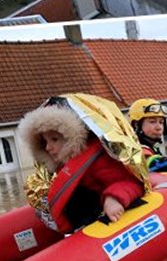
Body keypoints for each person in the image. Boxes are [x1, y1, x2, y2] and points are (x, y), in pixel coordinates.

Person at [19, 97, 146, 233]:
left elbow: (131, 182)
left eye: (54, 139)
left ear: (71, 137)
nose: (48, 147)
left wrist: (114, 198)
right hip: (83, 229)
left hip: (106, 223)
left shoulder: (97, 162)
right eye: (45, 142)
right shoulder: (64, 168)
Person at [129, 98, 167, 174]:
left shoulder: (151, 148)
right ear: (136, 125)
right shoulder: (138, 151)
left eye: (161, 122)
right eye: (152, 122)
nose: (159, 127)